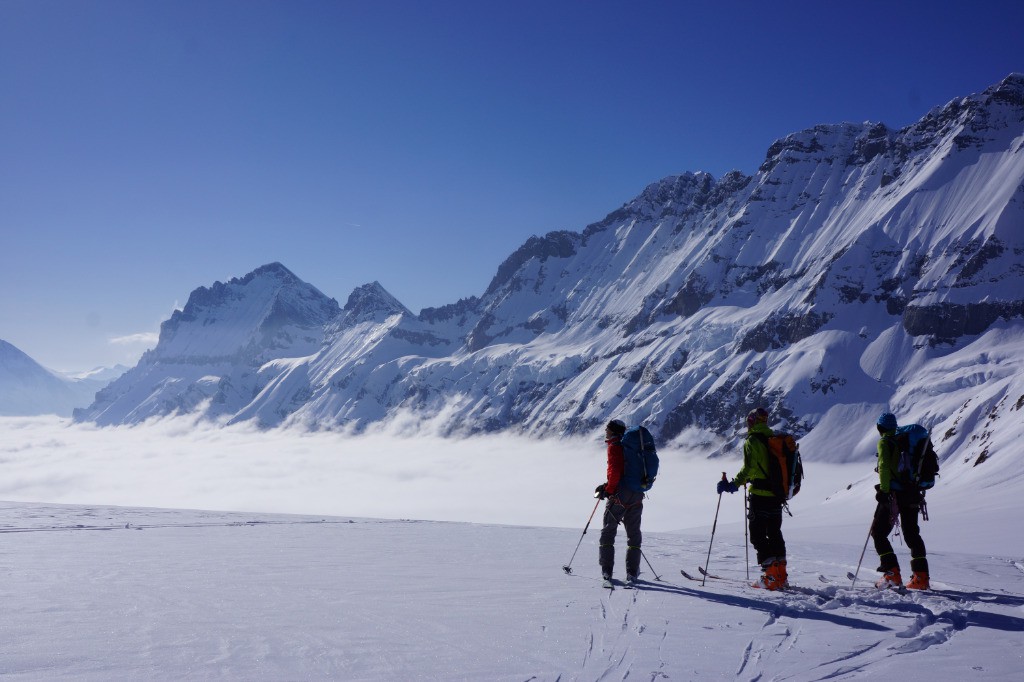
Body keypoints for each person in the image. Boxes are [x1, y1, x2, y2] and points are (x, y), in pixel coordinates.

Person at [716, 407, 788, 590]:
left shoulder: (753, 441)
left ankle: (770, 577)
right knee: (774, 532)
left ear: (752, 422)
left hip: (760, 496)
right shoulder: (774, 439)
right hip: (777, 496)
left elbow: (749, 469)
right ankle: (781, 575)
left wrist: (733, 485)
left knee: (757, 534)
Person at [872, 412, 929, 590]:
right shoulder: (905, 442)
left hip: (894, 494)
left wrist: (884, 491)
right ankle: (921, 578)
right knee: (912, 534)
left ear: (880, 428)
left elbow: (884, 469)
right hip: (913, 492)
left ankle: (892, 574)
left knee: (879, 533)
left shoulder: (884, 442)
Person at [595, 419, 644, 584]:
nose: (605, 431)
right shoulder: (633, 447)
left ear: (613, 432)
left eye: (607, 429)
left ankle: (607, 571)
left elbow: (615, 471)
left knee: (608, 532)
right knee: (634, 534)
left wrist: (607, 490)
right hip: (637, 493)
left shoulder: (615, 447)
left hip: (620, 495)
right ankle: (632, 572)